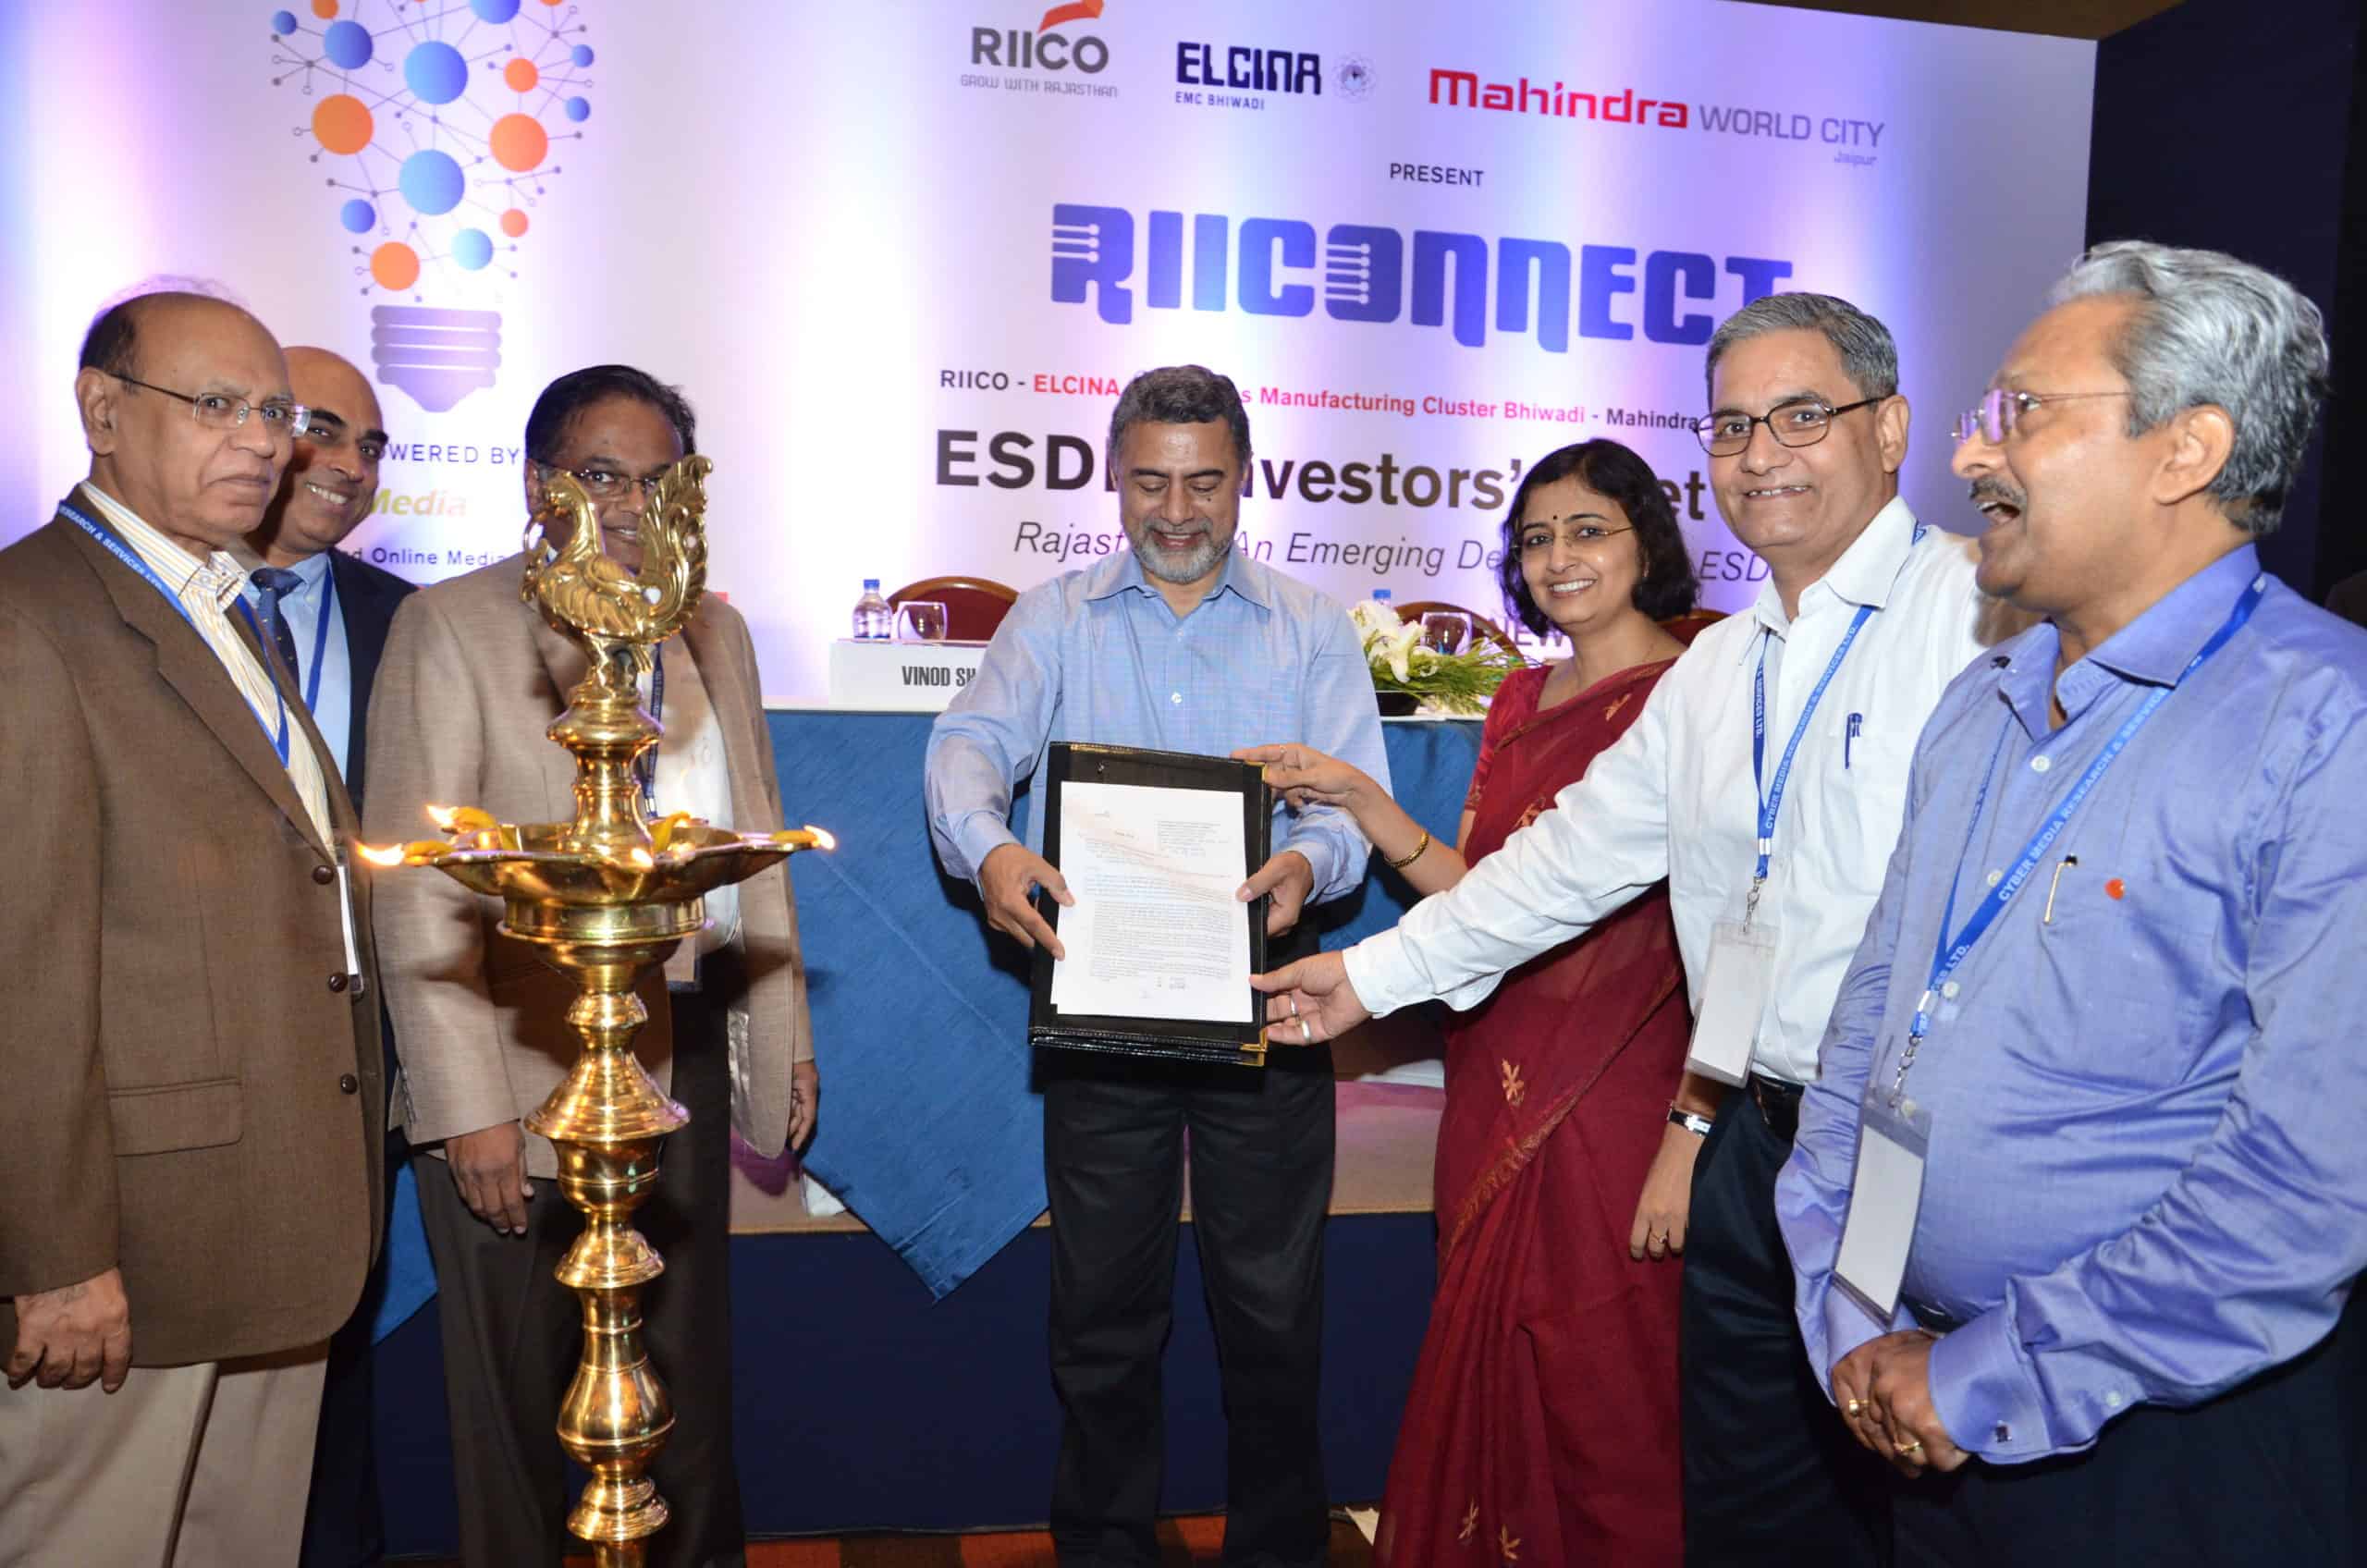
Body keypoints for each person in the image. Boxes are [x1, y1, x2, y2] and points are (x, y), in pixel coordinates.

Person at [1255, 294, 2016, 1565]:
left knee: (1912, 1502)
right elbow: (1560, 866)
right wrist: (1368, 977)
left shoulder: (1983, 619)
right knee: (1744, 1502)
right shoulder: (1717, 673)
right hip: (1752, 1144)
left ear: (1889, 429)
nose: (1760, 453)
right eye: (1731, 426)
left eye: (1801, 416)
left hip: (1910, 1151)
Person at [1779, 242, 2363, 1565]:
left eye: (2023, 412)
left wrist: (1989, 1376)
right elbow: (1867, 1032)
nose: (1971, 454)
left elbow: (2304, 1185)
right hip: (1906, 1396)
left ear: (2186, 450)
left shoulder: (2330, 727)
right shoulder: (1979, 701)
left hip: (2164, 1449)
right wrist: (1850, 1308)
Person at [925, 363, 1389, 1567]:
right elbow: (968, 743)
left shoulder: (1310, 627)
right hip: (1104, 1005)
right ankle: (1103, 1546)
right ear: (1113, 478)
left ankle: (1277, 1549)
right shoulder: (1054, 618)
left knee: (1274, 1310)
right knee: (1100, 1315)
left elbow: (1350, 806)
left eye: (1205, 483)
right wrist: (990, 846)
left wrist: (1308, 866)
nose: (1177, 511)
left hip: (1267, 999)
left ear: (1247, 479)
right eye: (1150, 482)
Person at [365, 364, 815, 1568]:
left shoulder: (714, 628)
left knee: (683, 1386)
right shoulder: (452, 626)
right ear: (538, 485)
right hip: (523, 1074)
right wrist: (467, 1109)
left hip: (677, 1059)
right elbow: (417, 888)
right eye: (602, 475)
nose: (629, 506)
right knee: (517, 1404)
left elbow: (754, 846)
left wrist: (784, 1037)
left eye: (658, 482)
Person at [1238, 438, 1711, 1565]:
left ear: (1646, 541)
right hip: (1495, 1064)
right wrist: (1359, 795)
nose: (1559, 557)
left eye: (1588, 529)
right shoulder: (1520, 697)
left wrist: (1692, 1128)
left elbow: (1739, 927)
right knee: (1498, 1338)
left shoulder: (1701, 692)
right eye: (1536, 538)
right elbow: (1481, 896)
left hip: (1625, 1083)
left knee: (1607, 1367)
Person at [0, 288, 384, 1562]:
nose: (265, 440)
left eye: (275, 411)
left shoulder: (220, 606)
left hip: (272, 1221)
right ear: (102, 412)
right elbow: (20, 974)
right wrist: (54, 1257)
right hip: (127, 1256)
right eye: (217, 404)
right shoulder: (29, 619)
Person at [239, 346, 423, 1568]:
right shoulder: (150, 605)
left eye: (373, 444)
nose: (350, 463)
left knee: (337, 1361)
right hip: (191, 1057)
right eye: (323, 428)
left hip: (360, 1060)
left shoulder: (407, 622)